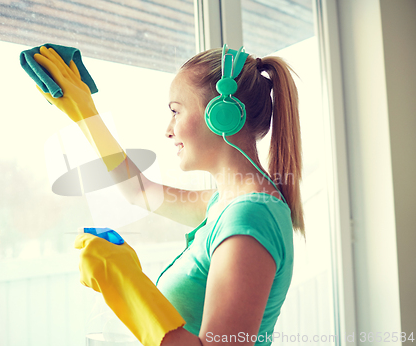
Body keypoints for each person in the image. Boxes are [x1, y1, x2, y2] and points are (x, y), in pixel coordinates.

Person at [31, 44, 304, 346]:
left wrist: (124, 282)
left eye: (176, 111)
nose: (168, 130)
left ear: (222, 115)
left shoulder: (250, 216)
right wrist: (86, 114)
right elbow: (139, 190)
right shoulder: (225, 205)